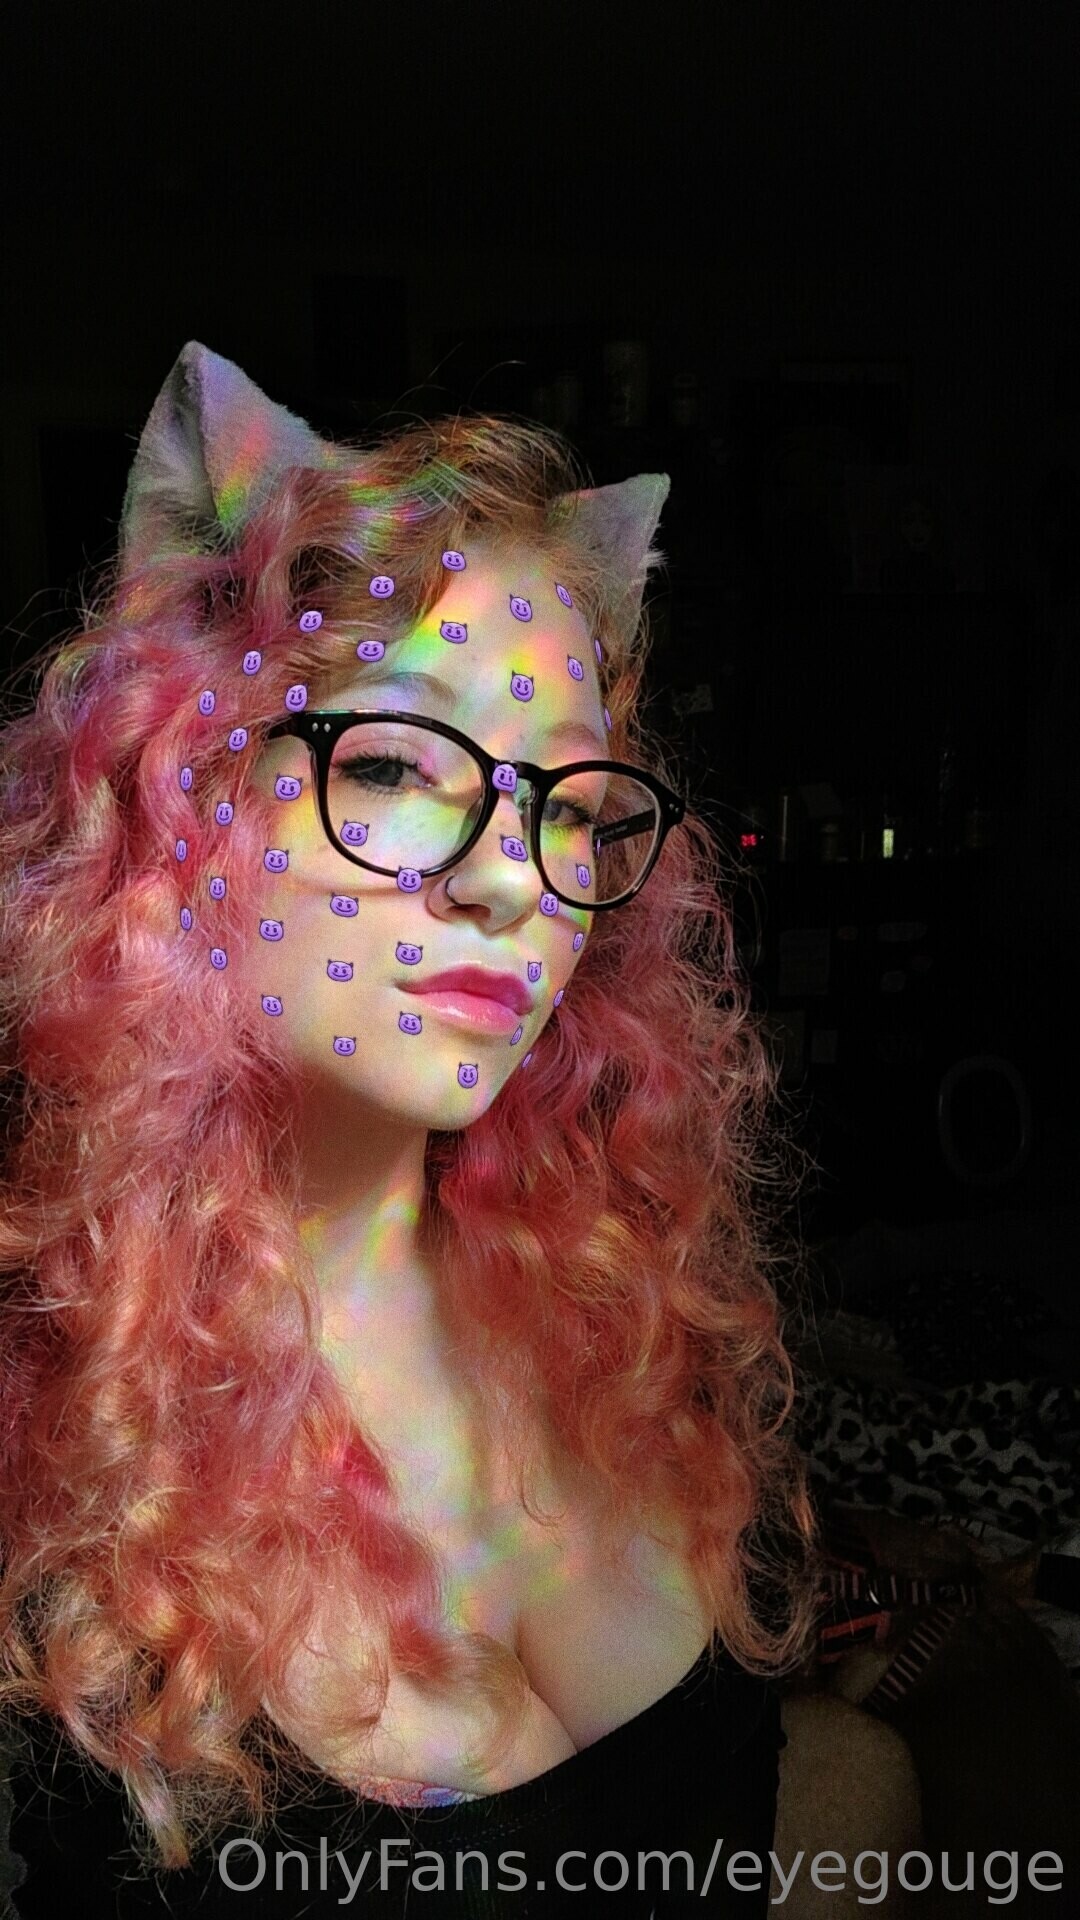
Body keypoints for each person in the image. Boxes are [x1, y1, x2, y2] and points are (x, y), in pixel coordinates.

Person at [0, 343, 915, 1916]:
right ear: (184, 800)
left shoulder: (613, 1322)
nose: (512, 875)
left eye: (572, 806)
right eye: (399, 767)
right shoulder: (60, 1454)